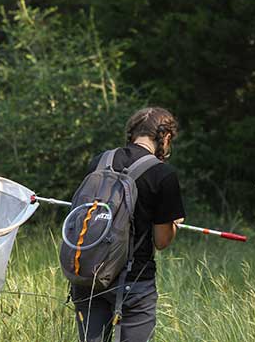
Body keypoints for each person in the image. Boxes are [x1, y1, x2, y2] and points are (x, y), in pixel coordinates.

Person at [71, 107, 186, 342]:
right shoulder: (163, 174)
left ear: (132, 133)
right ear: (166, 137)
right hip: (134, 282)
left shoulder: (99, 162)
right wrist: (174, 223)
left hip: (88, 274)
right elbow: (162, 241)